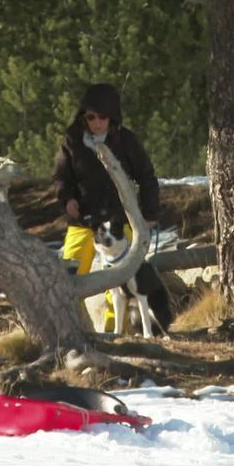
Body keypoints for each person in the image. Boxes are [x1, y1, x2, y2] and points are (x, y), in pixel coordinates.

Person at [53, 83, 159, 329]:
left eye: (103, 116)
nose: (97, 122)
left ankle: (116, 334)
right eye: (91, 116)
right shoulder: (72, 140)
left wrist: (149, 214)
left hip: (119, 222)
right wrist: (67, 199)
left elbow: (147, 176)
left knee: (125, 279)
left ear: (113, 116)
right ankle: (75, 332)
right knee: (68, 279)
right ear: (83, 115)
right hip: (83, 221)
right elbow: (61, 177)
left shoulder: (126, 140)